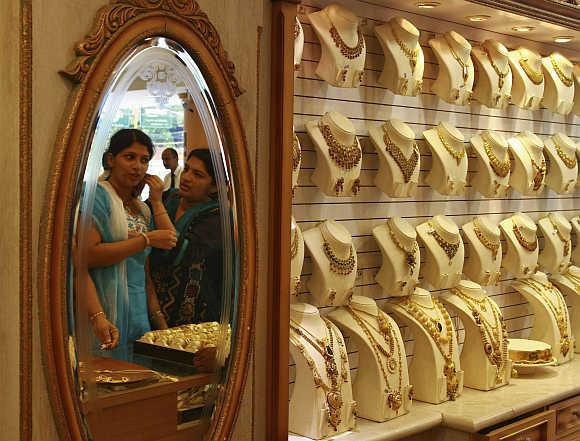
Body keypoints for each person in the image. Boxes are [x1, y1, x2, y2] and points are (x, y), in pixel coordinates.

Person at [85, 129, 177, 357]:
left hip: (138, 313)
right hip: (104, 309)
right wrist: (145, 240)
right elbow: (87, 256)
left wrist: (158, 320)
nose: (137, 166)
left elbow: (164, 245)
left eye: (144, 160)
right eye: (129, 157)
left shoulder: (141, 208)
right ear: (110, 160)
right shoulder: (98, 197)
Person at [149, 149, 223, 328]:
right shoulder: (170, 198)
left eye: (198, 175)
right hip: (148, 304)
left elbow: (179, 252)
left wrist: (157, 205)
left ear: (214, 186)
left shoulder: (216, 217)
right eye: (187, 169)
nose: (187, 177)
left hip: (191, 319)